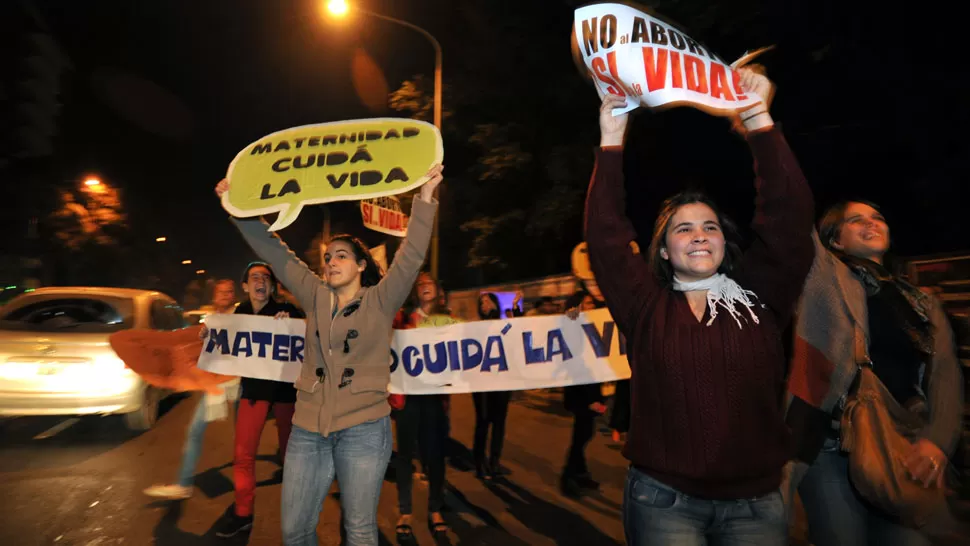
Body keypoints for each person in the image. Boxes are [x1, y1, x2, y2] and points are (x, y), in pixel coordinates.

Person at [585, 70, 815, 545]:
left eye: (709, 227)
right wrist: (612, 138)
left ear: (723, 243)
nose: (698, 235)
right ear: (665, 251)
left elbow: (789, 218)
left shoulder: (759, 297)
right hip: (663, 503)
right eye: (683, 228)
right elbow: (606, 238)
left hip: (757, 506)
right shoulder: (644, 305)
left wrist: (757, 119)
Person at [215, 164, 443, 546]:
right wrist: (236, 208)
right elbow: (274, 249)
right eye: (328, 257)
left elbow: (411, 255)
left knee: (359, 530)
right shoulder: (314, 295)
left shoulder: (381, 300)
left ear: (361, 265)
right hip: (307, 430)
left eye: (341, 256)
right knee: (295, 530)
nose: (331, 262)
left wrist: (425, 198)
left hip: (364, 431)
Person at [787, 200, 964, 546]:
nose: (871, 224)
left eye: (877, 217)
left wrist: (938, 441)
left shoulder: (919, 302)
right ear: (834, 241)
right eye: (856, 221)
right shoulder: (823, 282)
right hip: (833, 444)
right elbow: (790, 217)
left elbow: (945, 375)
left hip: (899, 446)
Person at [214, 262, 305, 538]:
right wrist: (209, 337)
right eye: (255, 277)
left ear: (272, 285)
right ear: (245, 286)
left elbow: (306, 336)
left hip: (285, 395)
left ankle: (299, 515)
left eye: (266, 277)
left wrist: (290, 325)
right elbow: (224, 346)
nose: (260, 281)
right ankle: (243, 513)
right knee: (243, 455)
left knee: (293, 457)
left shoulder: (286, 311)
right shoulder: (239, 313)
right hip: (253, 393)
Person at [143, 279, 239, 500]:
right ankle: (184, 483)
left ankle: (249, 491)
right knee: (195, 431)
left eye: (229, 292)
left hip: (242, 383)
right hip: (218, 383)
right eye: (221, 292)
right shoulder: (211, 320)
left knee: (246, 436)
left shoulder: (242, 317)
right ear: (214, 297)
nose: (225, 295)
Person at [393, 272, 458, 544]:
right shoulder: (402, 319)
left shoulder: (450, 321)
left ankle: (435, 509)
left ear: (438, 288)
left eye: (429, 282)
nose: (424, 286)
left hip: (434, 398)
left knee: (434, 456)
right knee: (405, 456)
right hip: (409, 398)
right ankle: (405, 512)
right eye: (419, 283)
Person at [562, 289, 608, 497]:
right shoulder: (573, 327)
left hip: (591, 388)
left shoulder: (594, 326)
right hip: (580, 390)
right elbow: (579, 364)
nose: (591, 307)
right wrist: (591, 400)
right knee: (582, 435)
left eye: (591, 303)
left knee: (585, 432)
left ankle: (580, 474)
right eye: (586, 304)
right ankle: (569, 477)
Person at [472, 291, 523, 480]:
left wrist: (516, 307)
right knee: (483, 422)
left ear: (495, 304)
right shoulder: (475, 328)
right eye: (481, 302)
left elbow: (519, 329)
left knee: (499, 423)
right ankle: (479, 463)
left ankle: (494, 462)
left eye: (488, 300)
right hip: (482, 385)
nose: (484, 304)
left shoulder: (503, 325)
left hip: (502, 382)